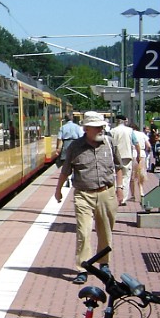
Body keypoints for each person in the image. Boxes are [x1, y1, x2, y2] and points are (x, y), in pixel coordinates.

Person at [54, 110, 125, 284]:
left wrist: (120, 188)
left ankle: (104, 263)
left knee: (105, 231)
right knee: (84, 232)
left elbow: (118, 167)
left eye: (102, 126)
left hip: (106, 193)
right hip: (83, 194)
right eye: (96, 127)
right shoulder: (75, 147)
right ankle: (83, 268)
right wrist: (58, 190)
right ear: (86, 129)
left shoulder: (109, 143)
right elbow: (65, 170)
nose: (101, 129)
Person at [109, 114, 135, 206]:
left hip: (115, 156)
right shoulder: (130, 131)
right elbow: (135, 142)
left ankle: (114, 197)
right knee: (126, 177)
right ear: (124, 121)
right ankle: (123, 199)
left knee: (114, 176)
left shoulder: (112, 131)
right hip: (127, 155)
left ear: (117, 121)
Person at [57, 113, 83, 186]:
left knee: (65, 162)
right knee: (75, 161)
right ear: (72, 118)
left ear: (65, 119)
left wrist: (58, 148)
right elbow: (81, 137)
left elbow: (59, 138)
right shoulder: (77, 127)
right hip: (75, 144)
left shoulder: (62, 127)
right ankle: (73, 176)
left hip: (66, 144)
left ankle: (67, 178)